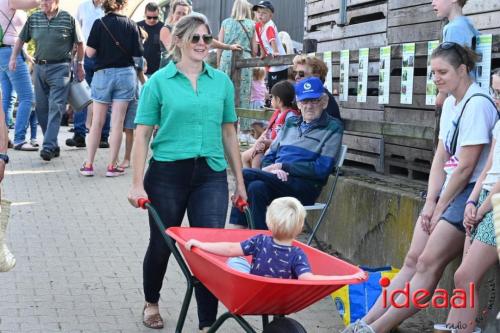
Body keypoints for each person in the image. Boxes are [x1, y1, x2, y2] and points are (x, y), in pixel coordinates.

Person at [344, 43, 498, 333]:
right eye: (433, 72)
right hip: (448, 190)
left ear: (463, 70)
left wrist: (439, 207)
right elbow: (441, 154)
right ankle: (366, 321)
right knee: (412, 259)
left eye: (443, 72)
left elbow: (466, 167)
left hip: (469, 192)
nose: (436, 78)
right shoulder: (451, 101)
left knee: (428, 262)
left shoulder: (477, 103)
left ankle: (378, 328)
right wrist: (430, 202)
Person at [127, 13, 247, 331]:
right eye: (195, 38)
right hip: (166, 174)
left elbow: (229, 133)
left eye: (206, 38)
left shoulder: (220, 81)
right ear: (177, 41)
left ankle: (207, 323)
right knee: (162, 244)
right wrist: (136, 184)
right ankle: (151, 302)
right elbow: (141, 135)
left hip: (210, 174)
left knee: (209, 250)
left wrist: (241, 184)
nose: (202, 44)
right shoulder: (158, 83)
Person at [230, 77, 343, 230]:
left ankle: (236, 232)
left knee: (244, 175)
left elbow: (321, 169)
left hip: (304, 186)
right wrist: (273, 169)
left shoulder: (333, 127)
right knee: (256, 188)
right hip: (276, 179)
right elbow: (271, 154)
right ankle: (260, 238)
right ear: (298, 103)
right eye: (305, 101)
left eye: (314, 101)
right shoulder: (291, 123)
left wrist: (284, 166)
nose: (309, 106)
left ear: (324, 102)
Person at [186, 197, 366, 281]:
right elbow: (308, 278)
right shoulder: (297, 254)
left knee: (235, 258)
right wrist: (347, 277)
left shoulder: (260, 241)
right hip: (279, 294)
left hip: (252, 286)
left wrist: (201, 244)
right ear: (299, 228)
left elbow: (230, 249)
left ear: (268, 223)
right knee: (237, 258)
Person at [443, 69, 500, 332]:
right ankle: (457, 328)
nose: (496, 98)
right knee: (465, 278)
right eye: (494, 91)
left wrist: (483, 208)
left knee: (464, 276)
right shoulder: (499, 123)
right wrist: (472, 201)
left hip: (496, 204)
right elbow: (489, 168)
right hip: (484, 200)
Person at [9, 0, 85, 161]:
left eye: (47, 0)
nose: (43, 2)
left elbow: (80, 43)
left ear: (56, 2)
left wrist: (79, 64)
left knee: (56, 108)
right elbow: (21, 39)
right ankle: (53, 144)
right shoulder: (34, 18)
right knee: (41, 109)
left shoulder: (68, 18)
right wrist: (13, 57)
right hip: (39, 68)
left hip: (61, 68)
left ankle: (48, 146)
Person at [79, 0, 143, 177]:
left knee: (97, 122)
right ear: (123, 5)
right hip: (126, 75)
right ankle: (111, 166)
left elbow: (90, 52)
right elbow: (138, 55)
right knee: (117, 123)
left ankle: (89, 165)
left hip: (103, 74)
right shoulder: (131, 25)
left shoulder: (99, 24)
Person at [68, 0, 111, 149]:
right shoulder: (82, 7)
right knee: (81, 96)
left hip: (104, 56)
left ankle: (103, 136)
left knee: (105, 96)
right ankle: (79, 134)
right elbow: (75, 30)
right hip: (84, 57)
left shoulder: (109, 7)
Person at [0, 0, 36, 151]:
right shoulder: (9, 1)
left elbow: (17, 33)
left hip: (6, 52)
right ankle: (20, 139)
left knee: (8, 99)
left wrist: (26, 55)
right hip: (10, 53)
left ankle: (4, 138)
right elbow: (35, 3)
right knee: (28, 97)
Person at [241, 80, 300, 168]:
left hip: (276, 150)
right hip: (267, 146)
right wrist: (256, 146)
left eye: (272, 97)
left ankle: (256, 178)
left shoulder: (290, 117)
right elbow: (266, 132)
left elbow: (283, 140)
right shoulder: (278, 113)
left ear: (279, 100)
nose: (270, 99)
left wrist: (263, 144)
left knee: (256, 159)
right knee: (245, 156)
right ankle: (250, 179)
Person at [432, 0, 479, 108]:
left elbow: (450, 63)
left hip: (460, 93)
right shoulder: (466, 23)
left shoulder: (453, 28)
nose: (432, 3)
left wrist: (442, 93)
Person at [217, 0, 257, 111]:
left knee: (223, 90)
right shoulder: (252, 24)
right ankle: (244, 124)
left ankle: (224, 121)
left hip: (226, 58)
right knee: (244, 93)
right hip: (245, 59)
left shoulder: (225, 23)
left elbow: (220, 46)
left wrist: (218, 62)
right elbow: (255, 50)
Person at [252, 0, 288, 92]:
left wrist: (276, 51)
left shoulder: (269, 26)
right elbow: (260, 41)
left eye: (264, 13)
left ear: (270, 15)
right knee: (271, 85)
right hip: (271, 59)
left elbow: (272, 40)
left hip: (278, 61)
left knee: (278, 87)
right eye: (258, 12)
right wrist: (263, 54)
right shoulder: (257, 26)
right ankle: (274, 103)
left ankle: (279, 104)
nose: (260, 15)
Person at [293, 55, 342, 121]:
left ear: (316, 76)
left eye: (301, 74)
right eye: (295, 73)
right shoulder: (300, 94)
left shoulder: (322, 98)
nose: (296, 77)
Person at [158, 0, 190, 68]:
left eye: (184, 14)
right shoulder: (166, 29)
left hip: (184, 70)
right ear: (173, 13)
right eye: (178, 13)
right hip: (168, 70)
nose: (181, 16)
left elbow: (206, 39)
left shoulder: (190, 31)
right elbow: (172, 50)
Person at [137, 2, 163, 76]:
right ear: (145, 14)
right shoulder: (137, 26)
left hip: (157, 70)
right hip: (139, 70)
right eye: (149, 17)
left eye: (155, 17)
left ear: (159, 15)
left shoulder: (163, 28)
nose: (152, 20)